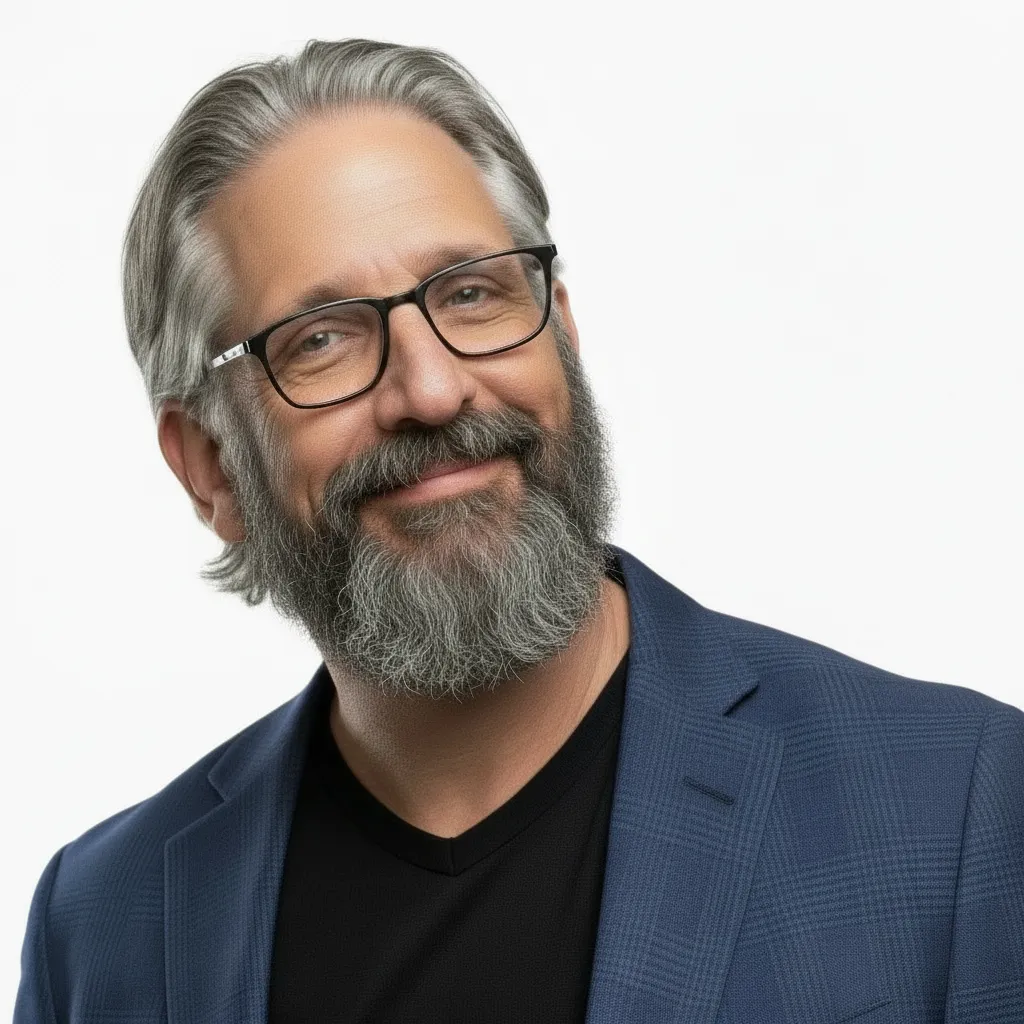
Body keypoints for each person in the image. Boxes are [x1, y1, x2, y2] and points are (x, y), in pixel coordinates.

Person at [14, 37, 1023, 1024]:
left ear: (562, 334)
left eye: (471, 294)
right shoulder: (97, 928)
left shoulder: (961, 806)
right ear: (211, 465)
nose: (432, 388)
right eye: (320, 339)